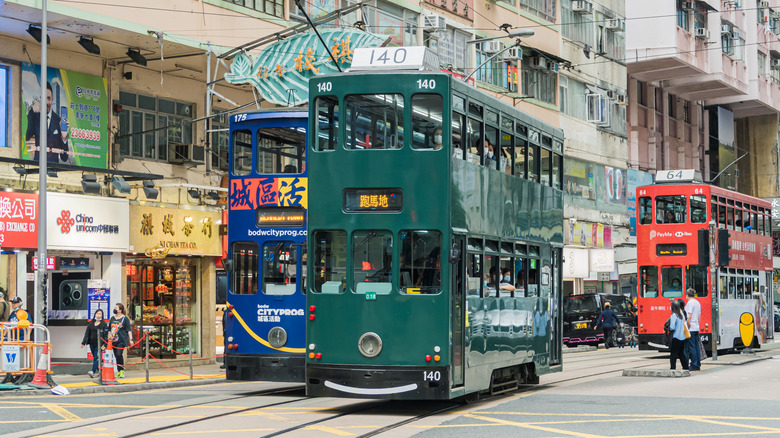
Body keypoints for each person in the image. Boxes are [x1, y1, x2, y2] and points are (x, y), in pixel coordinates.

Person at [25, 81, 70, 163]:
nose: (46, 102)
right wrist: (31, 112)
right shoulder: (35, 117)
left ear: (52, 100)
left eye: (48, 98)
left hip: (53, 169)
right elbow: (27, 138)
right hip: (37, 168)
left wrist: (64, 137)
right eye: (44, 98)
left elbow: (64, 157)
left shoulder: (59, 121)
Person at [108, 303, 133, 378]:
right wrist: (109, 338)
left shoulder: (125, 318)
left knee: (119, 354)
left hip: (122, 340)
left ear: (120, 310)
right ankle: (119, 370)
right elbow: (110, 329)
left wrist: (131, 339)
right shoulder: (112, 318)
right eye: (115, 308)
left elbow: (128, 330)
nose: (114, 309)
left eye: (116, 308)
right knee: (116, 356)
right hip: (113, 340)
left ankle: (121, 370)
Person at [81, 309, 108, 378]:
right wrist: (83, 343)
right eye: (97, 313)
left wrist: (105, 344)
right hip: (92, 343)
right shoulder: (91, 323)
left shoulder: (104, 324)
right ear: (95, 314)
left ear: (102, 315)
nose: (98, 315)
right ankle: (100, 371)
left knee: (96, 357)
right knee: (96, 357)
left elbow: (106, 335)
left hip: (99, 344)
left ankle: (92, 371)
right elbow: (87, 333)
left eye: (100, 314)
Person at [668, 300, 689, 370]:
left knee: (673, 354)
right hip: (682, 337)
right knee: (681, 354)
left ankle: (672, 368)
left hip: (676, 337)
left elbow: (672, 327)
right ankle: (686, 367)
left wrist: (669, 328)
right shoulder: (681, 315)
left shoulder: (674, 315)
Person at [684, 288, 702, 371]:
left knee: (691, 347)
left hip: (691, 328)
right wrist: (698, 324)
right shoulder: (697, 303)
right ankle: (698, 363)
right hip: (696, 327)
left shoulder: (689, 303)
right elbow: (699, 316)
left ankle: (694, 364)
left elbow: (689, 316)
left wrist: (688, 325)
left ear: (687, 295)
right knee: (696, 346)